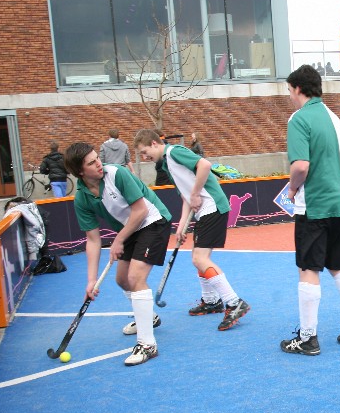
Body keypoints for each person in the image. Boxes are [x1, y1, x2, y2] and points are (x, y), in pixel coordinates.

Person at [280, 65, 340, 355]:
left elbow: (301, 166)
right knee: (338, 263)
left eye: (290, 90)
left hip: (316, 202)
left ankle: (308, 337)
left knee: (308, 267)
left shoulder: (299, 119)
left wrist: (292, 188)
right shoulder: (334, 117)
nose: (290, 96)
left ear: (298, 88)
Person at [64, 141, 171, 366]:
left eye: (97, 158)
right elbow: (93, 240)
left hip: (152, 220)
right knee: (122, 280)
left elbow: (140, 210)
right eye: (91, 163)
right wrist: (91, 281)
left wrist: (119, 240)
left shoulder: (117, 173)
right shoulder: (82, 198)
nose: (98, 164)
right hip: (130, 228)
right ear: (80, 172)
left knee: (135, 278)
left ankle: (148, 345)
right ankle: (148, 318)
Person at [134, 129, 250, 330]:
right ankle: (211, 300)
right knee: (198, 257)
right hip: (204, 211)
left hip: (212, 207)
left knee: (199, 258)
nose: (144, 157)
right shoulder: (167, 165)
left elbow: (204, 165)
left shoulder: (174, 152)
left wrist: (196, 193)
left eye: (145, 152)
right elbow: (186, 197)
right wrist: (181, 226)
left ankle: (234, 302)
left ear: (154, 143)